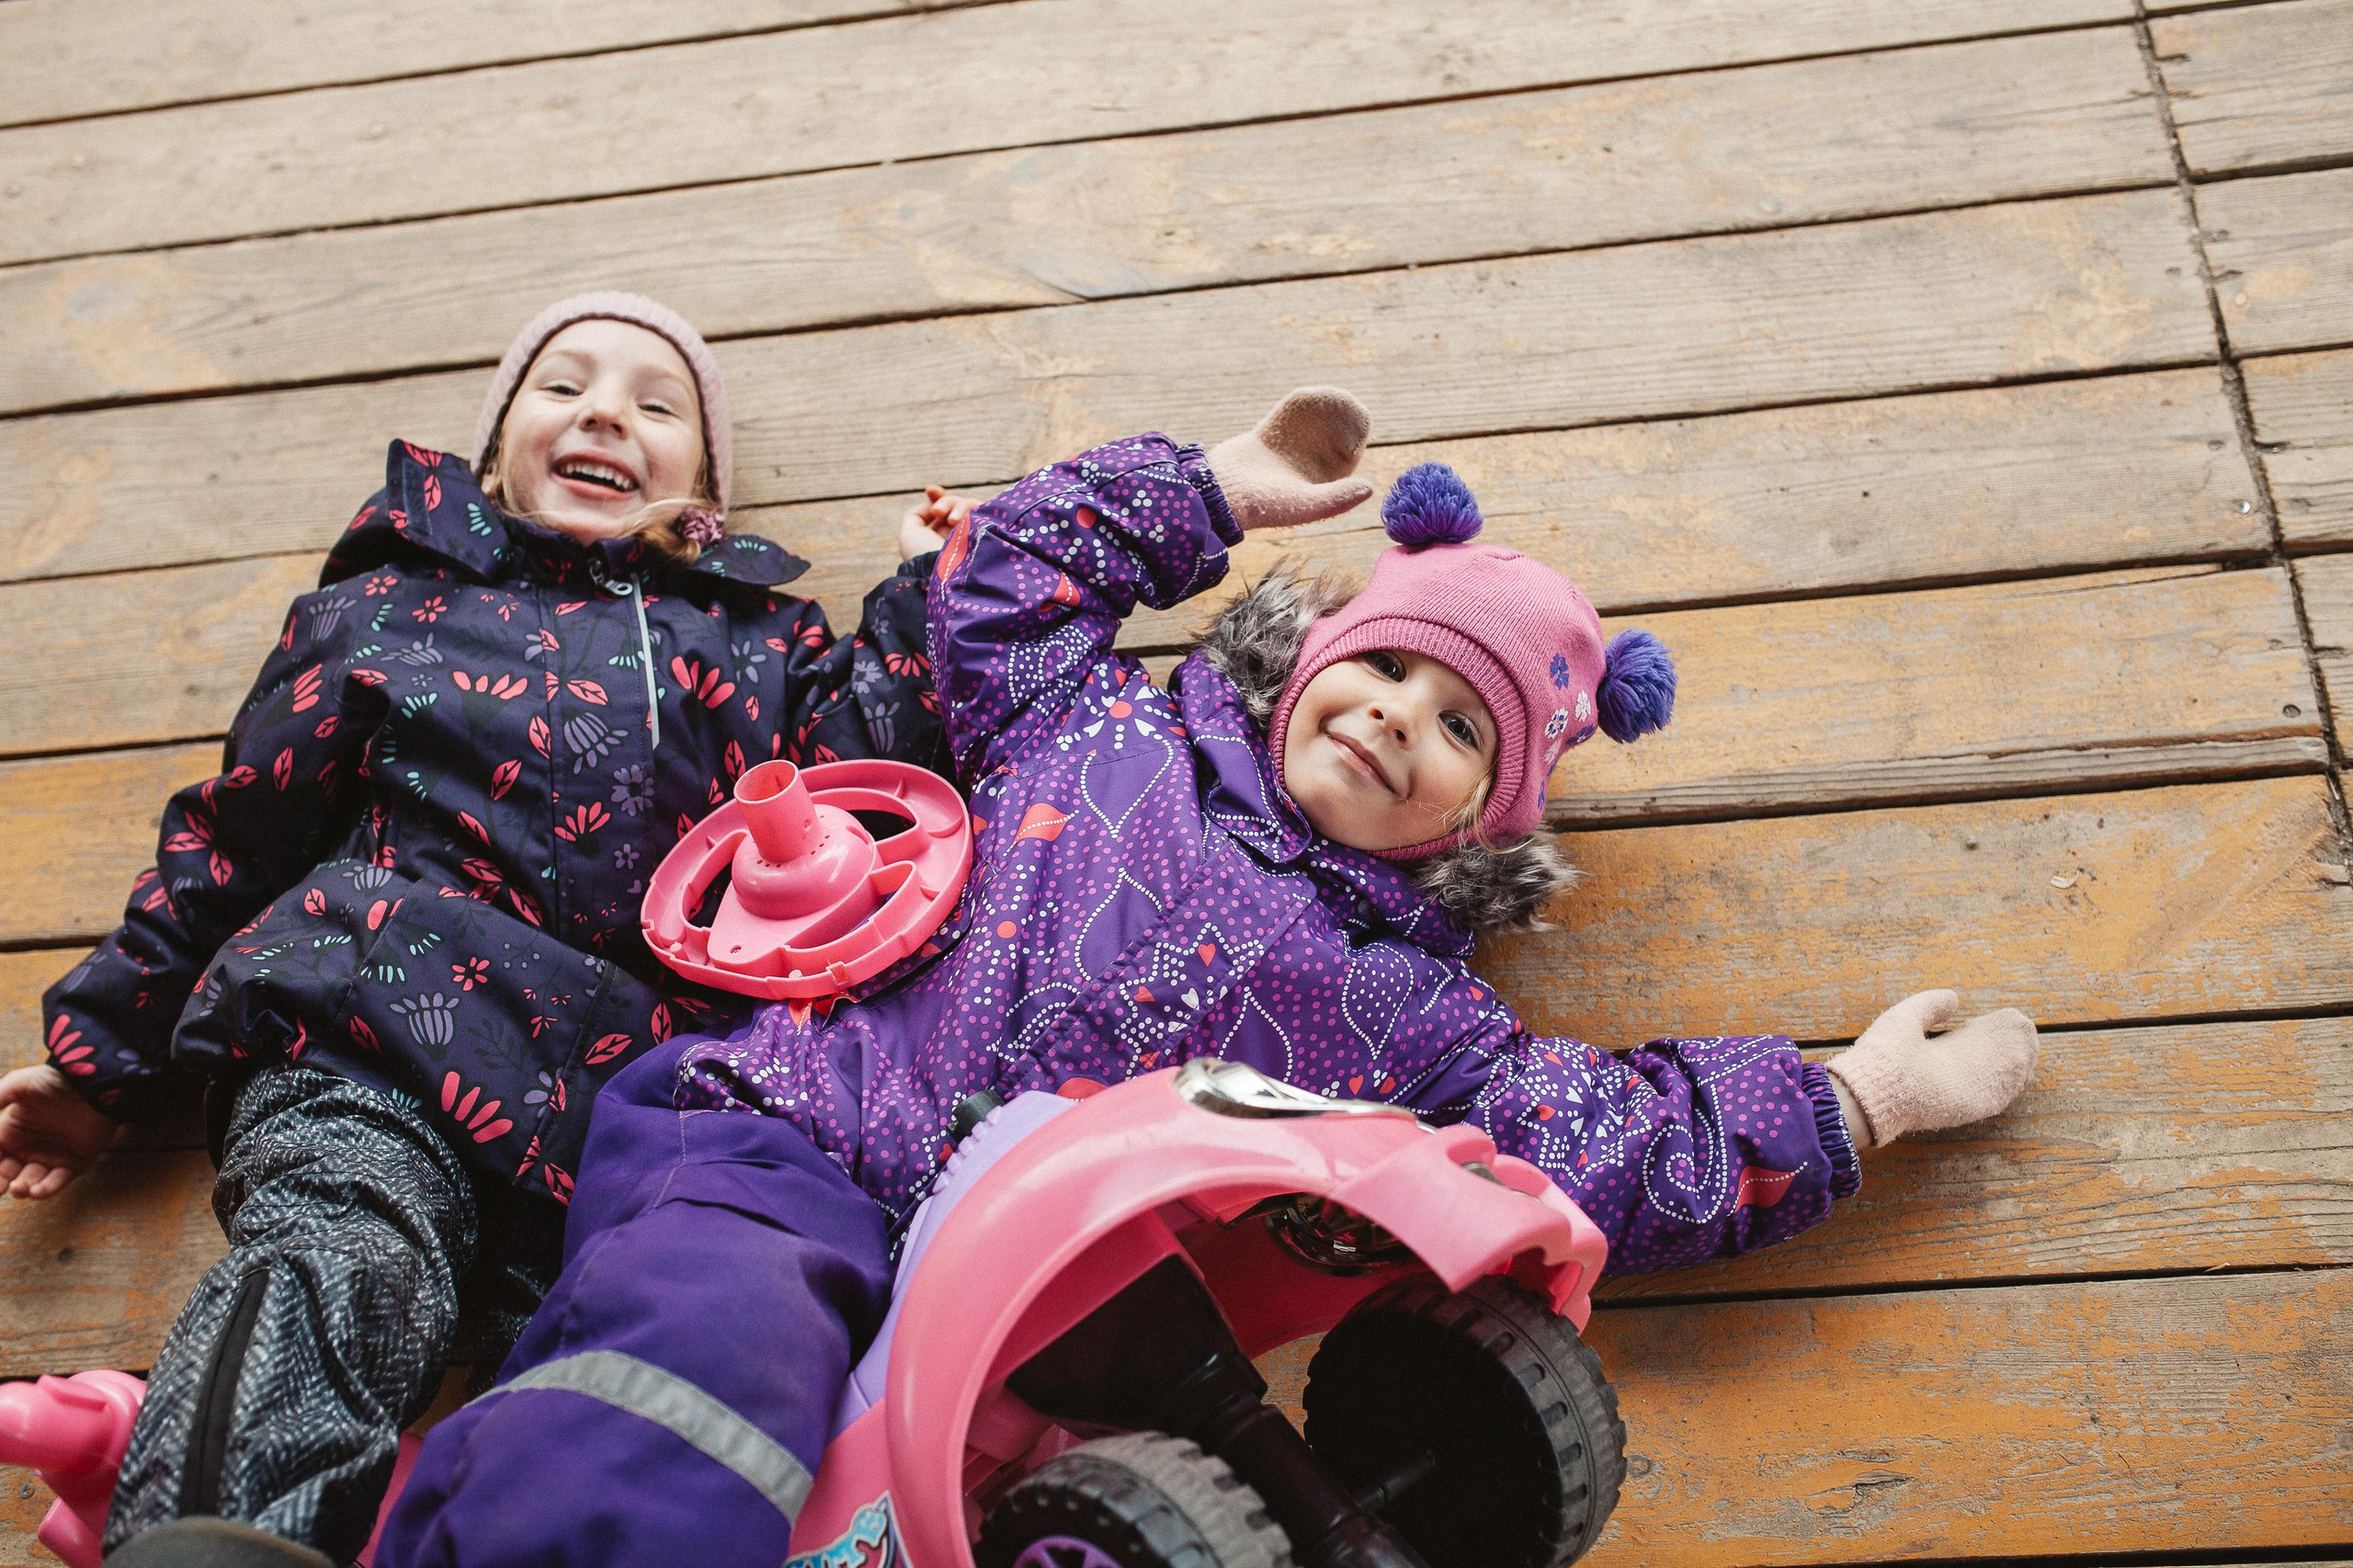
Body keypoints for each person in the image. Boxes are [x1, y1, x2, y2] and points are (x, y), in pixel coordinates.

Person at [378, 390, 2040, 1568]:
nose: (1398, 715)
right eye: (1386, 667)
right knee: (698, 1376)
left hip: (1034, 1332)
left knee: (1128, 1508)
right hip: (794, 1136)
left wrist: (1860, 1100)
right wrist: (1215, 489)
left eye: (1462, 727)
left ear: (1487, 815)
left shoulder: (1415, 1014)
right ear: (1310, 662)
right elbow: (1007, 573)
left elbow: (1600, 1143)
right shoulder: (1094, 720)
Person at [0, 293, 949, 1563]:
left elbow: (854, 788)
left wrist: (929, 596)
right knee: (346, 1256)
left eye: (656, 405)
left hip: (615, 1112)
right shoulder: (390, 601)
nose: (606, 413)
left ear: (702, 492)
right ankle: (210, 1540)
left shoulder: (756, 640)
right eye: (563, 386)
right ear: (496, 455)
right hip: (376, 1026)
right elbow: (240, 830)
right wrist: (98, 1061)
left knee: (573, 1390)